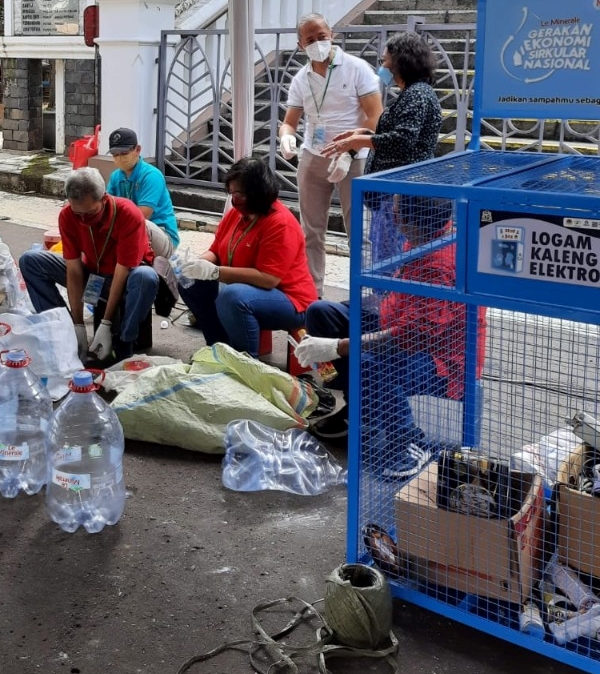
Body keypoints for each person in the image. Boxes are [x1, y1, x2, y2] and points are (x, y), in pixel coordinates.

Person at [295, 195, 486, 480]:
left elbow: (411, 338)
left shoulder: (441, 264)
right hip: (397, 319)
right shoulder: (424, 238)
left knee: (369, 360)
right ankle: (361, 409)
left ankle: (409, 439)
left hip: (442, 359)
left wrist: (339, 346)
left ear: (411, 220)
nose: (391, 215)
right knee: (321, 313)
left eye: (396, 211)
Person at [279, 13, 383, 296]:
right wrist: (286, 137)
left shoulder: (357, 68)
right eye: (310, 40)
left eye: (321, 36)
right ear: (301, 45)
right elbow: (290, 120)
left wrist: (350, 150)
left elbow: (376, 117)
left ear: (332, 34)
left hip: (353, 158)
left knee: (359, 232)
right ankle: (312, 294)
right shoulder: (301, 79)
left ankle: (363, 297)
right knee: (310, 231)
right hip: (314, 154)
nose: (317, 43)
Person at [320, 31, 442, 264]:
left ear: (401, 61)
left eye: (385, 60)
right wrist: (363, 133)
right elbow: (398, 135)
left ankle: (383, 300)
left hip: (400, 193)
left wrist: (359, 142)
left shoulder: (417, 95)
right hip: (392, 193)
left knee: (388, 259)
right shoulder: (413, 94)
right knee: (384, 254)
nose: (383, 66)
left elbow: (403, 141)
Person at [177, 157, 317, 358]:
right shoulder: (236, 214)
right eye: (231, 193)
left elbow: (269, 279)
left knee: (233, 296)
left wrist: (216, 272)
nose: (234, 199)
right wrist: (197, 264)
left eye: (239, 194)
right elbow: (216, 251)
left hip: (289, 299)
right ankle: (218, 347)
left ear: (258, 192)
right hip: (249, 289)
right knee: (190, 283)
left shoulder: (280, 223)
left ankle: (245, 360)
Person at [19, 167, 159, 365]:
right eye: (79, 213)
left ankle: (124, 344)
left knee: (146, 277)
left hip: (125, 278)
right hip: (93, 273)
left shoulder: (128, 214)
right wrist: (78, 326)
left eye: (90, 212)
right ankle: (63, 332)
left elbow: (122, 271)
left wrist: (106, 324)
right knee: (30, 260)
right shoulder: (68, 216)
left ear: (104, 198)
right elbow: (74, 270)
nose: (84, 220)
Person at [105, 127, 180, 260]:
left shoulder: (151, 175)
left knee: (137, 222)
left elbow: (141, 215)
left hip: (161, 236)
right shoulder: (116, 177)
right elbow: (105, 208)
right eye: (115, 154)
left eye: (124, 153)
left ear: (137, 150)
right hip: (129, 233)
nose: (119, 158)